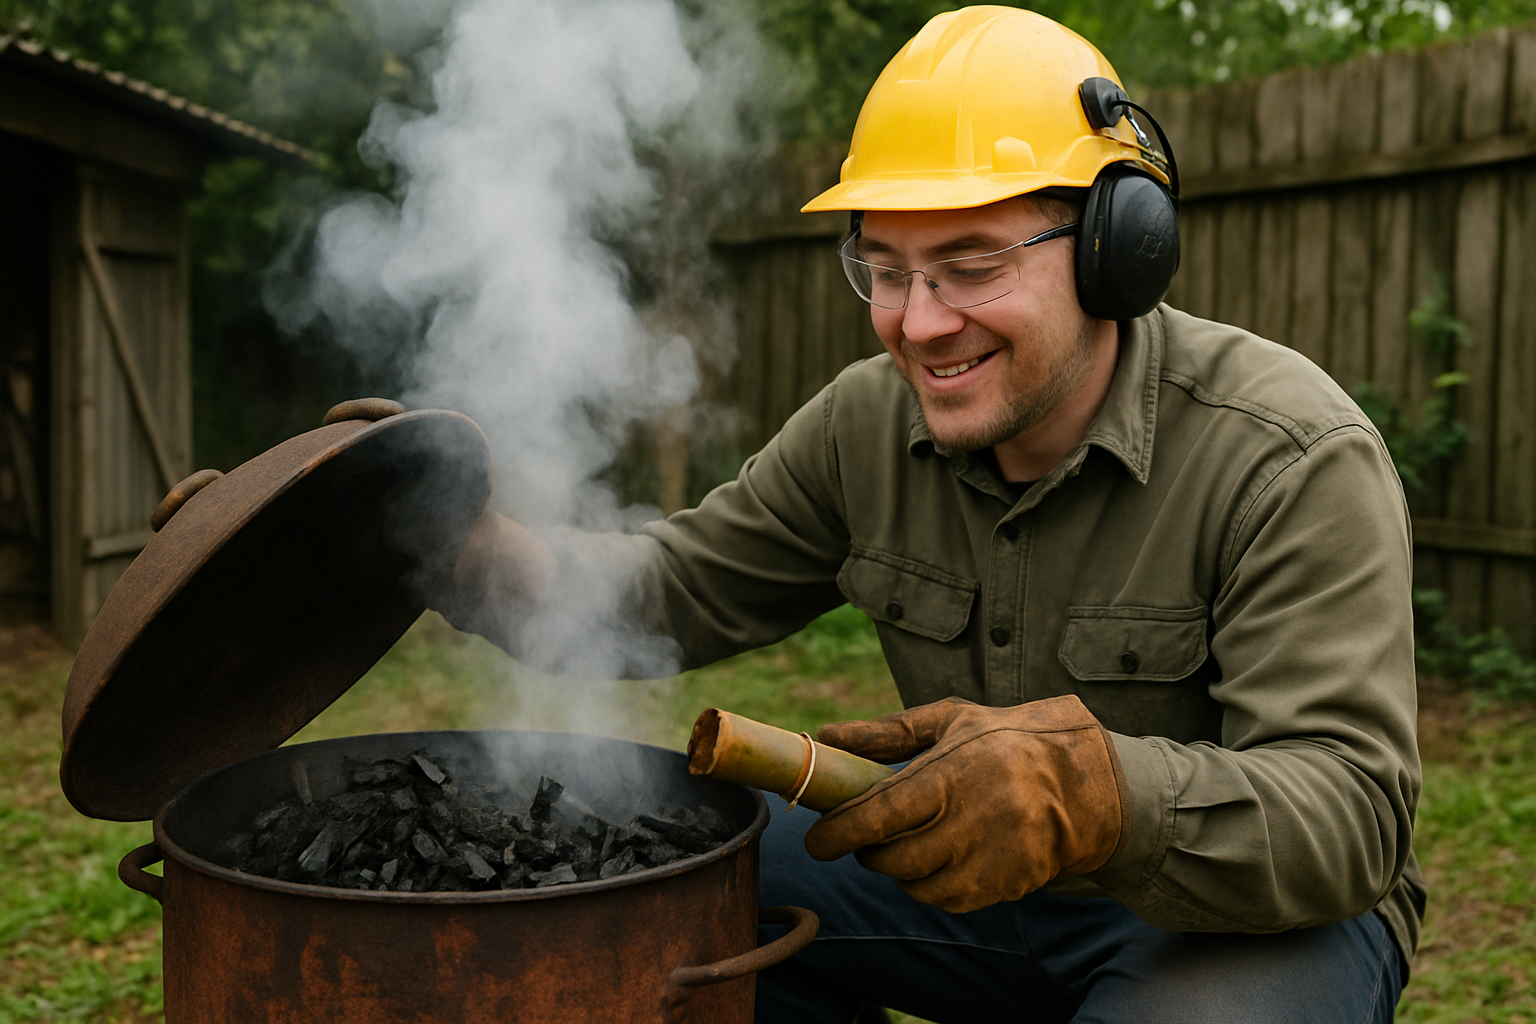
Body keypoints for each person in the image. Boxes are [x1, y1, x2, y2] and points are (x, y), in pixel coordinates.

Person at [438, 7, 1423, 1021]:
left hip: (1243, 918)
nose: (919, 323)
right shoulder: (864, 421)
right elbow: (673, 589)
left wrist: (1092, 797)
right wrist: (483, 558)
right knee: (654, 887)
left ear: (1115, 248)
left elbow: (1352, 813)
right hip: (971, 894)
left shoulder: (1287, 455)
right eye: (887, 267)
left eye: (971, 265)